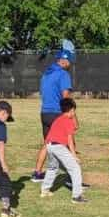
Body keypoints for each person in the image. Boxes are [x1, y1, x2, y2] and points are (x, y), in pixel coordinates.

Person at [31, 47, 77, 182]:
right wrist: (72, 117)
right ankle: (71, 178)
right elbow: (65, 97)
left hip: (45, 113)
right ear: (64, 61)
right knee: (69, 143)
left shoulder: (47, 73)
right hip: (58, 114)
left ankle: (37, 173)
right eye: (69, 62)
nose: (70, 64)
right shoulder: (63, 74)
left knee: (48, 143)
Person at [40, 98, 88, 203]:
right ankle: (77, 196)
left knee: (52, 168)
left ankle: (45, 190)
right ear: (71, 110)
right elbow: (70, 140)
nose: (74, 113)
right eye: (74, 111)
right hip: (58, 147)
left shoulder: (58, 119)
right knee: (75, 168)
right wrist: (74, 155)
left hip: (49, 145)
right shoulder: (68, 120)